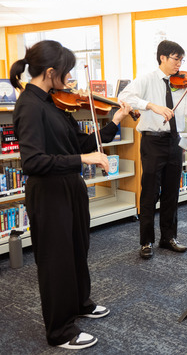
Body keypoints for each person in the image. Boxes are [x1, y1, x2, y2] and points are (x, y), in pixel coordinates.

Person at [10, 40, 132, 349]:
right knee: (56, 261)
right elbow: (32, 162)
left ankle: (80, 303)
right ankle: (59, 331)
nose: (70, 80)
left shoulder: (55, 102)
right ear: (50, 73)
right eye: (66, 73)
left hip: (70, 186)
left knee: (78, 249)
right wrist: (82, 160)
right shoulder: (29, 106)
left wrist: (114, 122)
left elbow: (81, 144)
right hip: (48, 192)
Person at [119, 40, 187, 259]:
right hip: (152, 141)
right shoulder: (147, 79)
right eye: (176, 58)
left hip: (174, 141)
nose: (179, 64)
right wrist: (152, 106)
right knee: (150, 192)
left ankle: (168, 237)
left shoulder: (186, 84)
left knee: (172, 192)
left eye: (181, 59)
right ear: (162, 58)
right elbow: (124, 97)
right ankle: (146, 241)